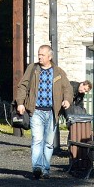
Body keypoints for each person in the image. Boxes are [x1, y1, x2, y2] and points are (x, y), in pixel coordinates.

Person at [15, 44, 73, 179]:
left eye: (42, 55)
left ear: (50, 56)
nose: (39, 57)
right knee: (37, 139)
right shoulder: (33, 69)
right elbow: (22, 86)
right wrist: (20, 103)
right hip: (36, 111)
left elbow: (68, 88)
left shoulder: (58, 72)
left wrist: (67, 100)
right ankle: (37, 167)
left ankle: (46, 169)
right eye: (39, 54)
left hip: (52, 112)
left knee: (48, 143)